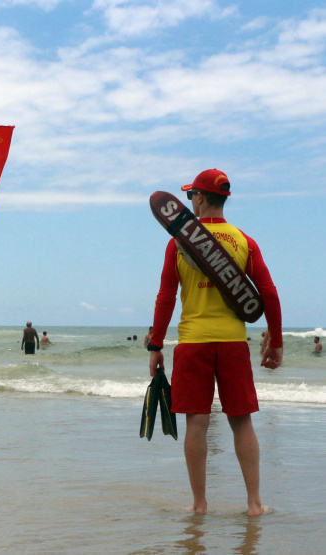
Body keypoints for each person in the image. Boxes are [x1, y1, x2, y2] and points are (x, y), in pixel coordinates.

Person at [147, 169, 282, 516]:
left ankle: (199, 504)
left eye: (192, 194)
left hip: (193, 343)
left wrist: (156, 344)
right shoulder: (244, 241)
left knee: (197, 422)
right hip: (234, 343)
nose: (190, 199)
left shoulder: (178, 242)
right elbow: (267, 292)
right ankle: (253, 504)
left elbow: (166, 295)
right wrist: (276, 340)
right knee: (242, 421)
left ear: (201, 198)